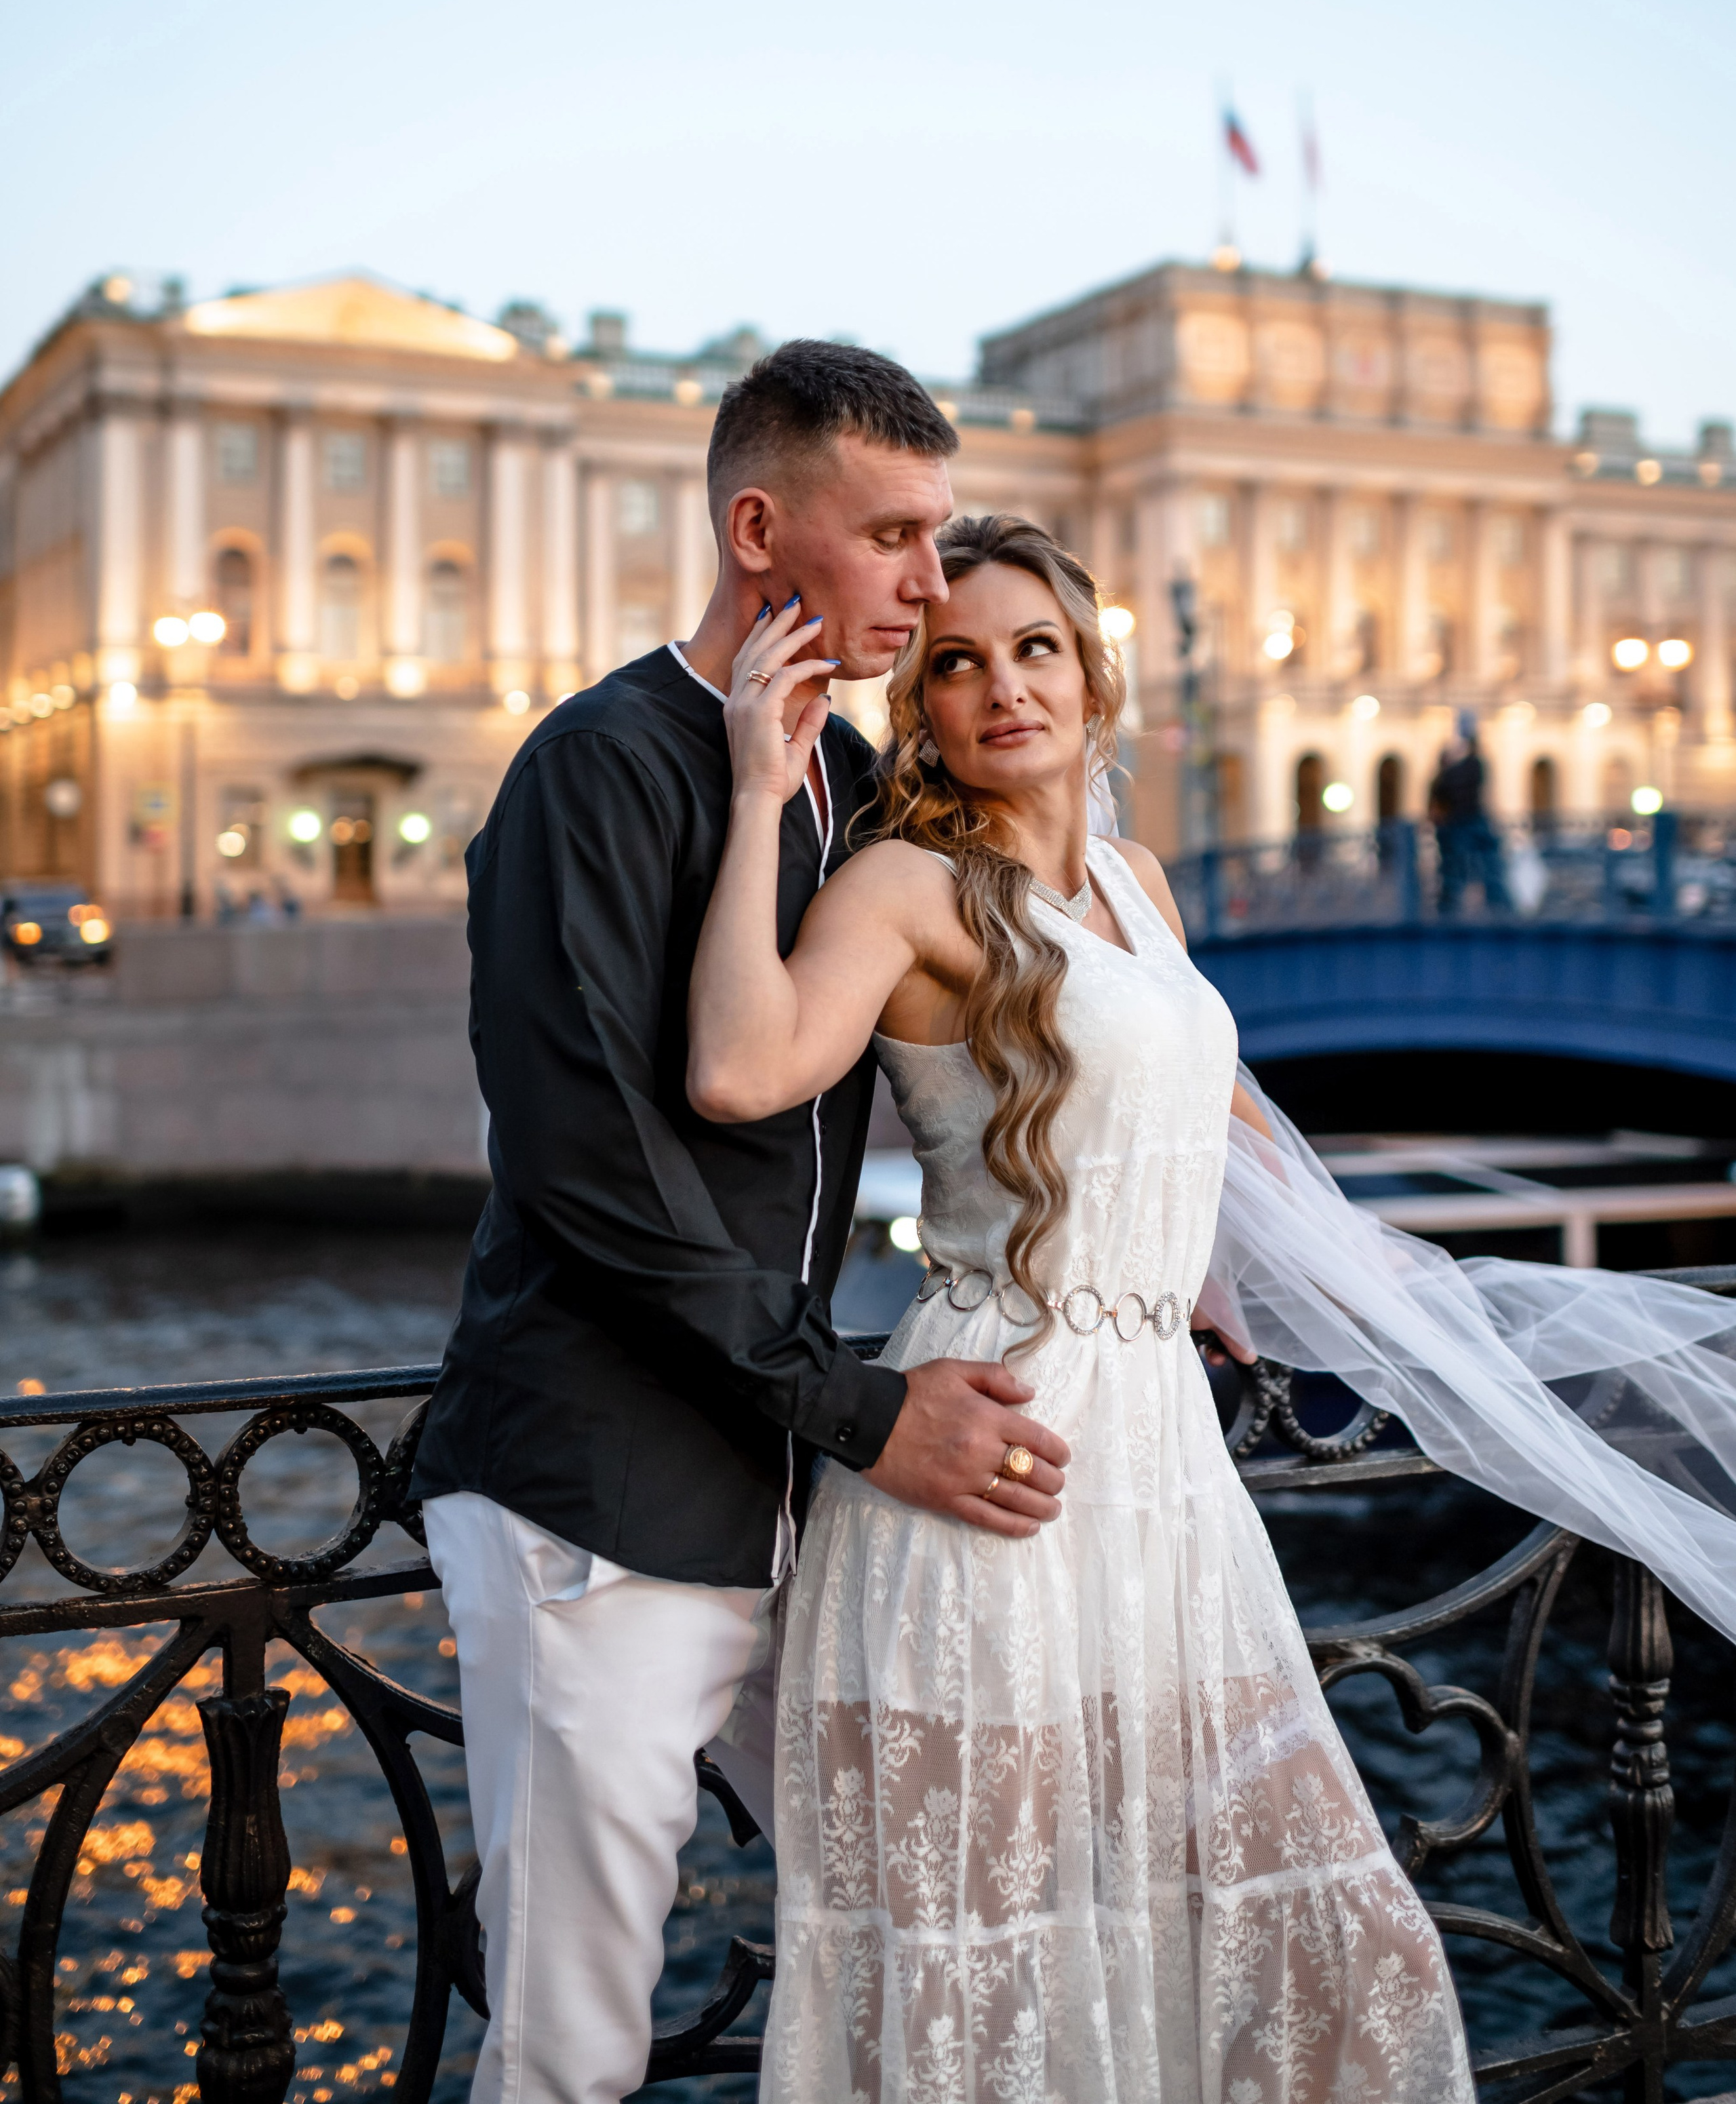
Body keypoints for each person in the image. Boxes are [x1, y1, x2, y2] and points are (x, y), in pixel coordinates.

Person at [690, 511, 1736, 2103]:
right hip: (997, 1456)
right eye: (957, 662)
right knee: (1008, 1967)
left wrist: (1263, 1264)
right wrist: (759, 792)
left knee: (1301, 1922)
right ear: (922, 705)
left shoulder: (1137, 879)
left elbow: (1215, 1118)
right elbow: (735, 1068)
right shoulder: (905, 886)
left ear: (1090, 674)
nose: (1002, 687)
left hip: (1163, 1454)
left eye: (1034, 648)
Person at [409, 346, 1076, 2104]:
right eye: (895, 535)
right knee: (569, 2047)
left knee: (928, 1945)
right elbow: (591, 1174)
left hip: (786, 1494)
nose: (930, 580)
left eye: (940, 534)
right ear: (760, 531)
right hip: (600, 1501)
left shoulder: (850, 783)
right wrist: (863, 1411)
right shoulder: (594, 768)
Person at [1427, 715, 1510, 913]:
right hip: (1467, 823)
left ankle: (1451, 905)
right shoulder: (1472, 768)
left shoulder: (1449, 775)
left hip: (1458, 825)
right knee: (1483, 865)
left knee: (1457, 869)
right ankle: (1496, 903)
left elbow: (1437, 804)